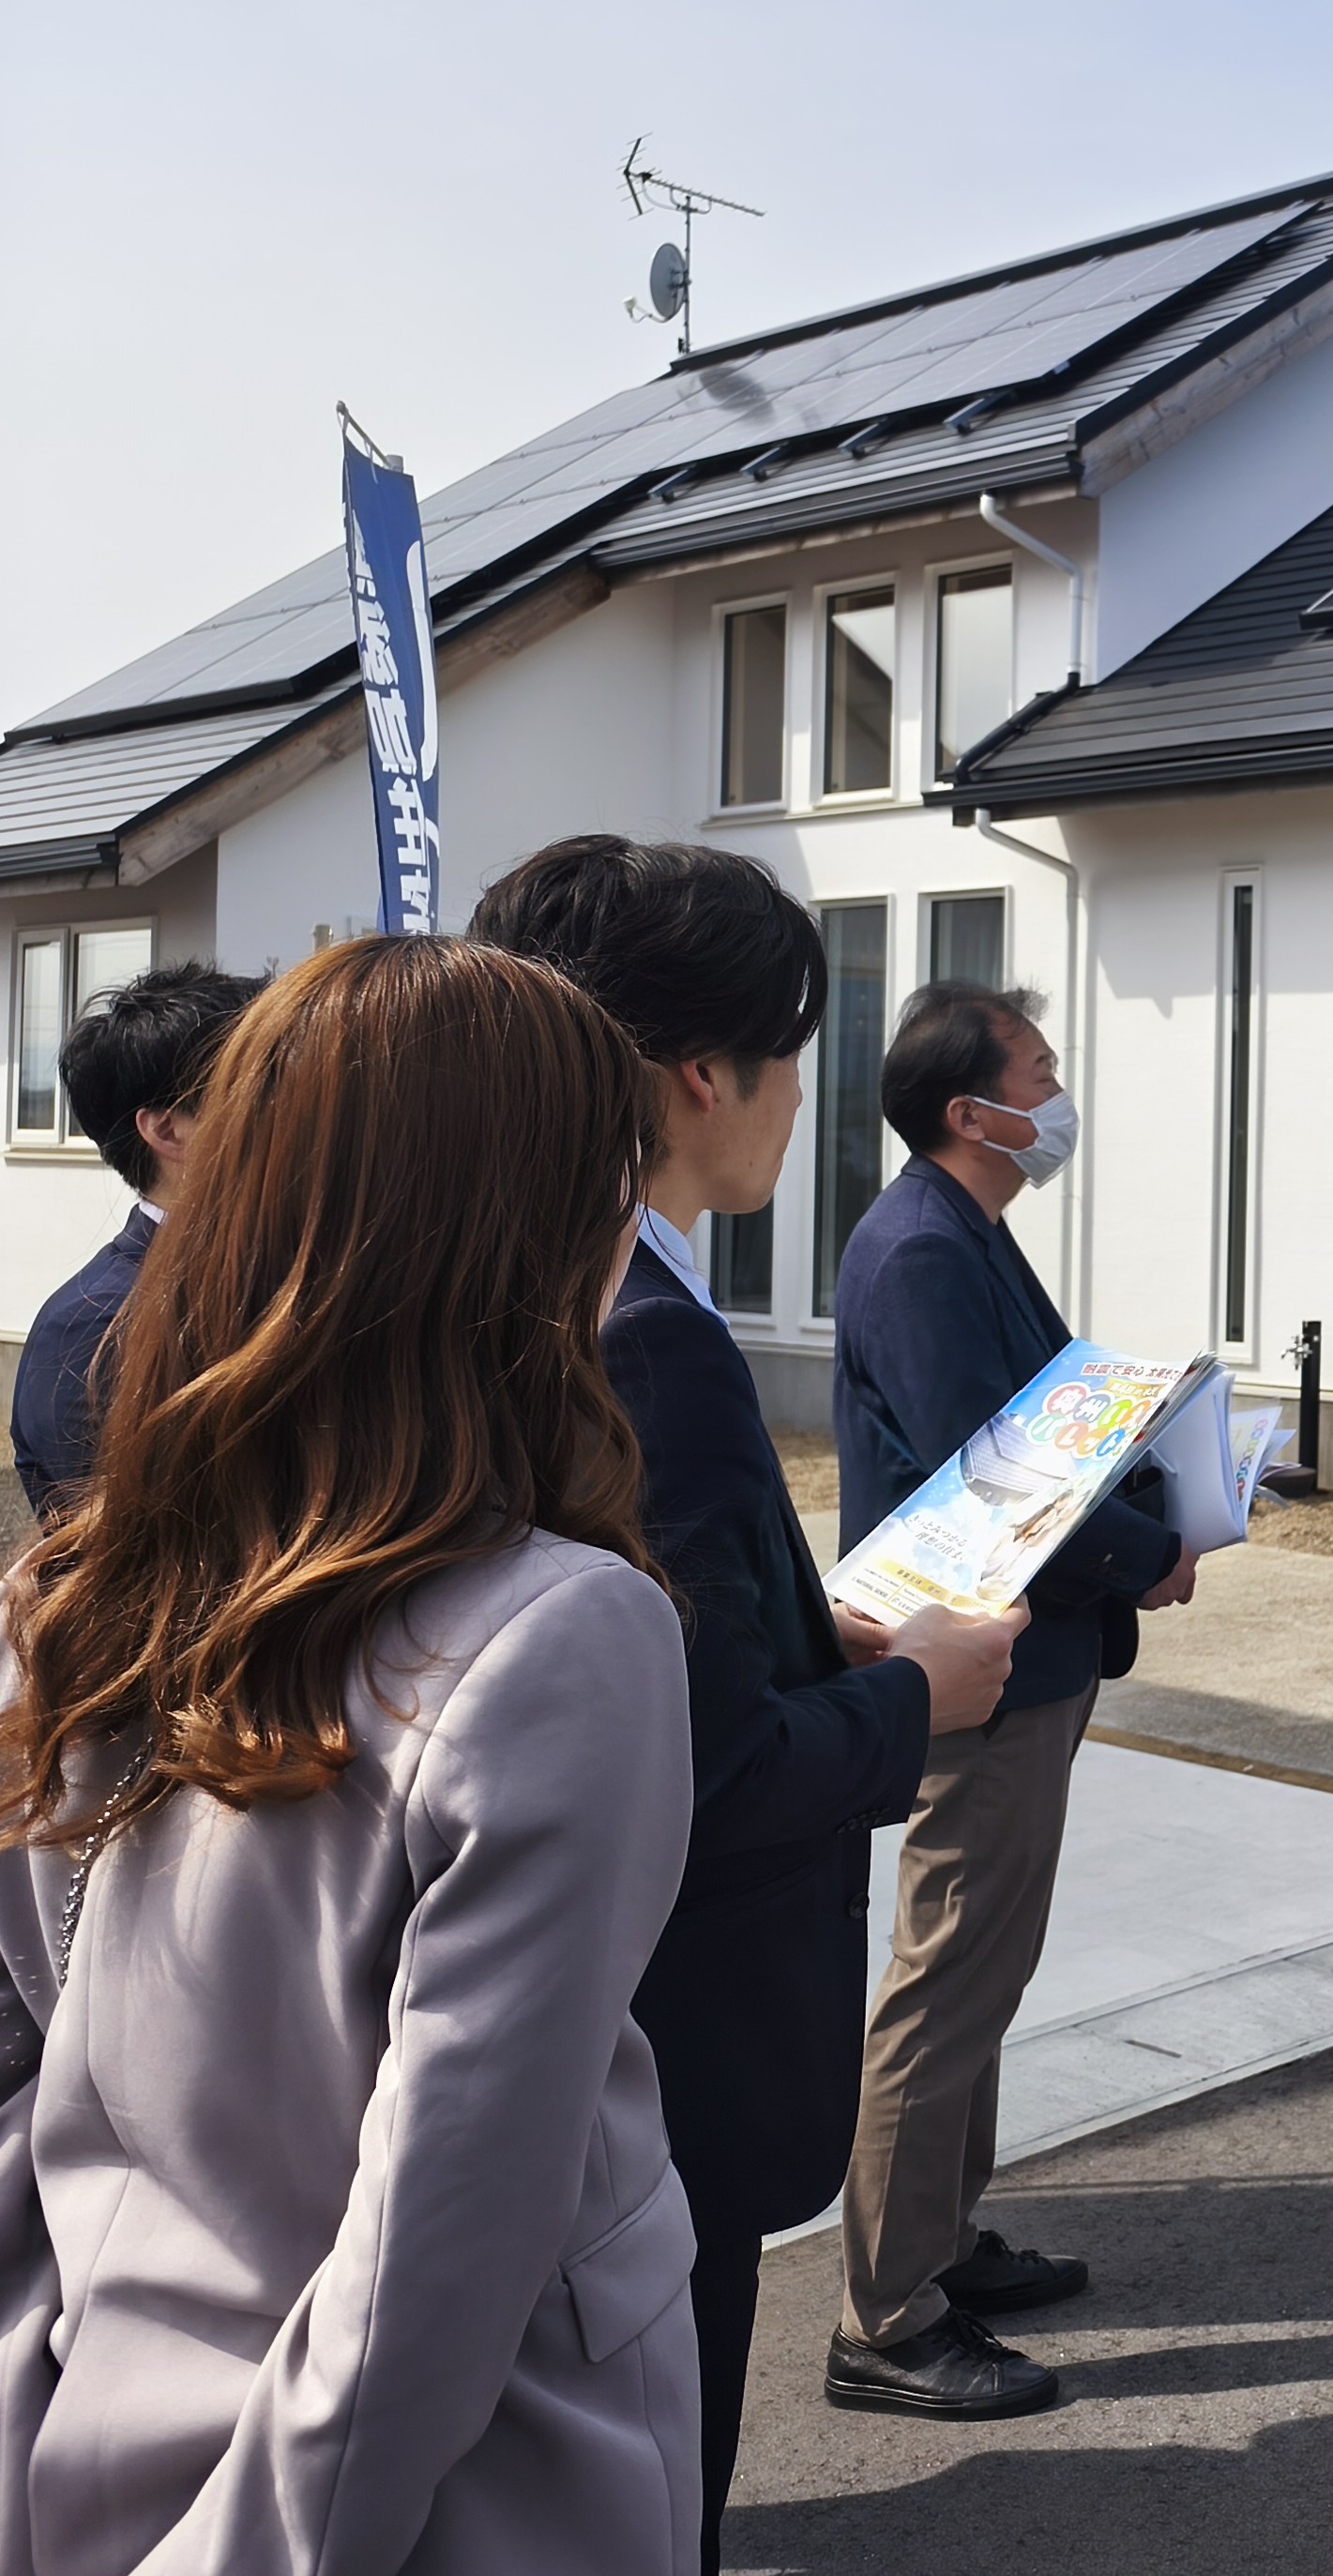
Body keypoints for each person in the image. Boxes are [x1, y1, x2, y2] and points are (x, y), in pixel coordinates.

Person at [0, 935, 699, 2572]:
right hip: (462, 2491)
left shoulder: (68, 1592)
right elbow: (432, 2263)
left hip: (96, 2430)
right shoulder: (559, 1631)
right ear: (539, 1236)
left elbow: (24, 2092)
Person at [472, 840, 1019, 2561]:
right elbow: (700, 1771)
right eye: (795, 1054)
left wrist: (800, 1632)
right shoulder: (643, 1335)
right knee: (652, 2483)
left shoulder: (499, 1277)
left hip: (546, 2041)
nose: (803, 1101)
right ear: (699, 1077)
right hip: (668, 2054)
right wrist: (916, 1696)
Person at [826, 981, 1192, 2419]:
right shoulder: (922, 1250)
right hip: (975, 1664)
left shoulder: (963, 1229)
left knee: (983, 1965)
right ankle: (886, 2315)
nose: (1058, 1093)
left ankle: (941, 2240)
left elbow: (1050, 1427)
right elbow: (998, 1477)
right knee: (950, 1972)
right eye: (1038, 1071)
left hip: (1022, 1656)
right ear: (970, 1112)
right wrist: (1149, 1552)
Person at [8, 960, 260, 1515]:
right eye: (264, 1088)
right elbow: (132, 1552)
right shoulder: (94, 1328)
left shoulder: (293, 1271)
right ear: (169, 1130)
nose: (301, 1113)